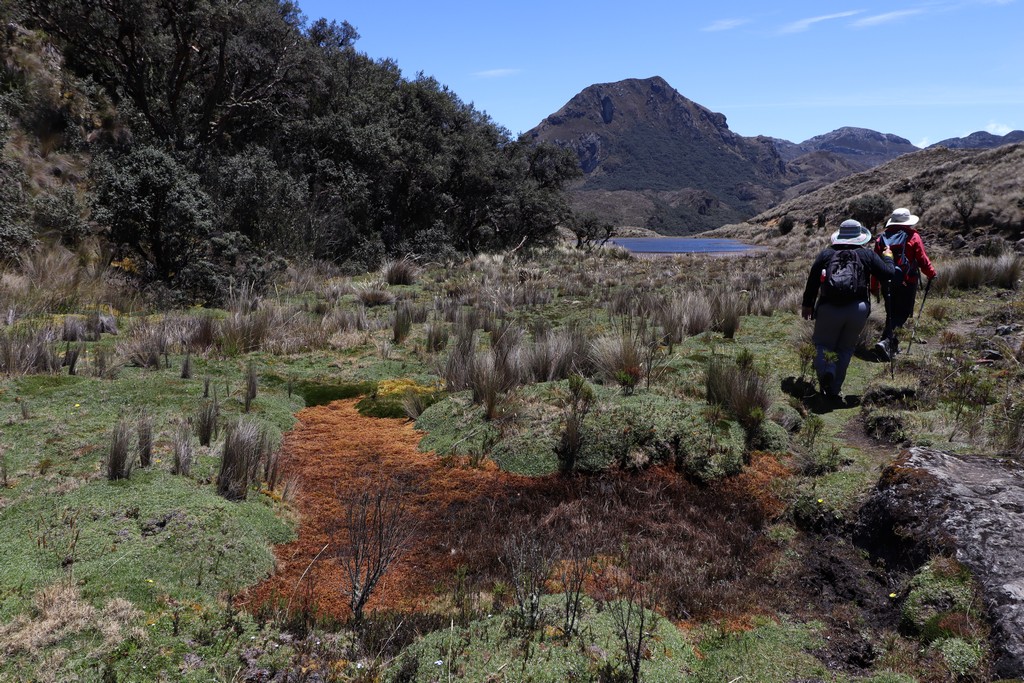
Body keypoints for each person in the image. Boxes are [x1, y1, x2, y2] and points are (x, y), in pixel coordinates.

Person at [802, 219, 895, 401]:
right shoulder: (866, 255)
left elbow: (812, 281)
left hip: (828, 307)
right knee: (845, 348)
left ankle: (827, 372)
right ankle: (835, 391)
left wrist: (808, 304)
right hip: (857, 309)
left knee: (822, 344)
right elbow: (888, 274)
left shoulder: (827, 254)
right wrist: (888, 257)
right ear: (859, 236)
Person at [871, 208, 938, 361]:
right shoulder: (913, 236)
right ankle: (886, 342)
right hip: (907, 281)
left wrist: (874, 286)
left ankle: (890, 344)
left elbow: (875, 264)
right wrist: (931, 273)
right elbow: (922, 259)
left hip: (886, 281)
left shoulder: (881, 239)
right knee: (901, 314)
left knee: (891, 312)